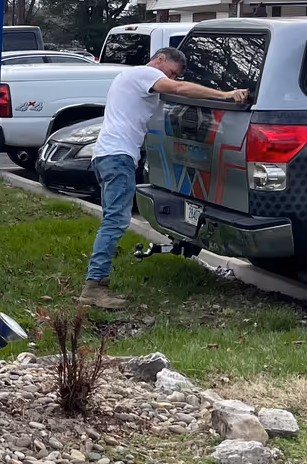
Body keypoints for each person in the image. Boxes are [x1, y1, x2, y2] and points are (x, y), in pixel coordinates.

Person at [79, 45, 247, 310]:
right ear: (159, 60)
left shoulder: (131, 79)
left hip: (107, 155)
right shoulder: (144, 75)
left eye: (176, 75)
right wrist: (225, 94)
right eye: (171, 72)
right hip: (117, 157)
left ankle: (96, 285)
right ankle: (94, 288)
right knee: (115, 221)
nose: (173, 79)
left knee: (114, 219)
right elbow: (179, 90)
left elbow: (176, 96)